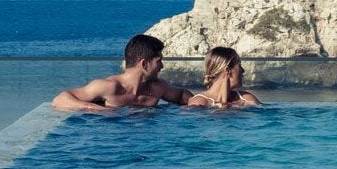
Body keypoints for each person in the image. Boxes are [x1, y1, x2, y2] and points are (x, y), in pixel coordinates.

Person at [51, 34, 194, 111]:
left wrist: (202, 102)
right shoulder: (109, 87)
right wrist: (95, 109)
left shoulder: (157, 87)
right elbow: (60, 99)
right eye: (159, 61)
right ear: (144, 64)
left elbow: (181, 95)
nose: (162, 66)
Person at [187, 46, 262, 108]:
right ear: (227, 71)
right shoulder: (199, 102)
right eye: (239, 66)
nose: (243, 70)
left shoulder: (247, 98)